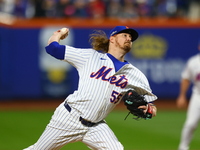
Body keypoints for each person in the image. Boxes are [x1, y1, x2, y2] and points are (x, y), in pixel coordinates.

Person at [24, 26, 157, 150]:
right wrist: (57, 35)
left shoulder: (135, 74)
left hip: (96, 126)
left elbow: (151, 106)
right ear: (112, 38)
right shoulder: (90, 56)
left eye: (131, 37)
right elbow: (54, 49)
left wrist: (149, 110)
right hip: (69, 117)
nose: (129, 38)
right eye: (125, 35)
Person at [176, 39, 200, 150]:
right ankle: (183, 147)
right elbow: (186, 79)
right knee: (190, 124)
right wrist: (182, 95)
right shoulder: (194, 62)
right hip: (198, 95)